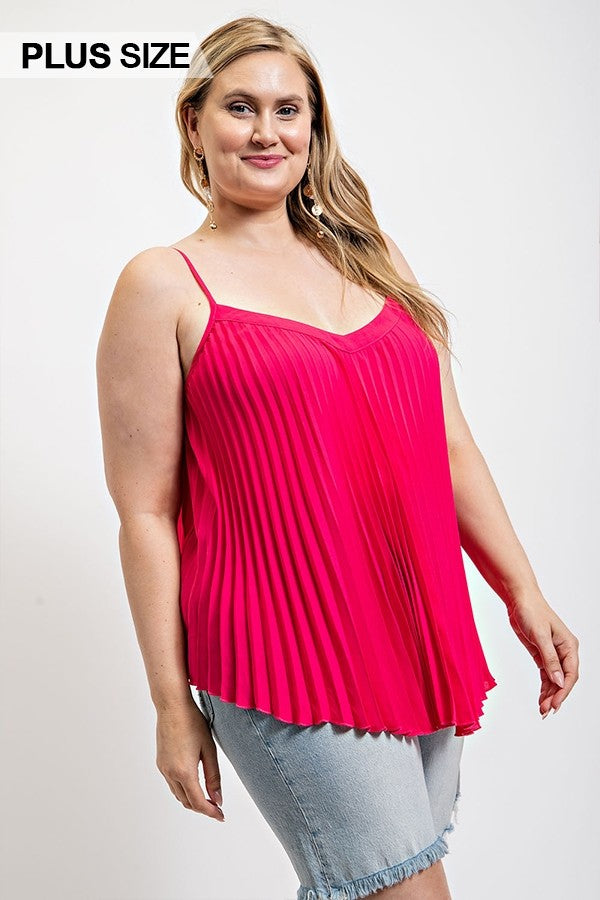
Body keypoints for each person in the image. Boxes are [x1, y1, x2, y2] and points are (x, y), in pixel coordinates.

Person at [95, 15, 580, 900]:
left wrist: (524, 592)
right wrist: (171, 704)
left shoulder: (373, 258)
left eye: (289, 110)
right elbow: (145, 512)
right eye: (240, 107)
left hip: (410, 629)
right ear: (194, 121)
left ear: (314, 126)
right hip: (279, 648)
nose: (266, 132)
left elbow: (450, 443)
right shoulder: (161, 283)